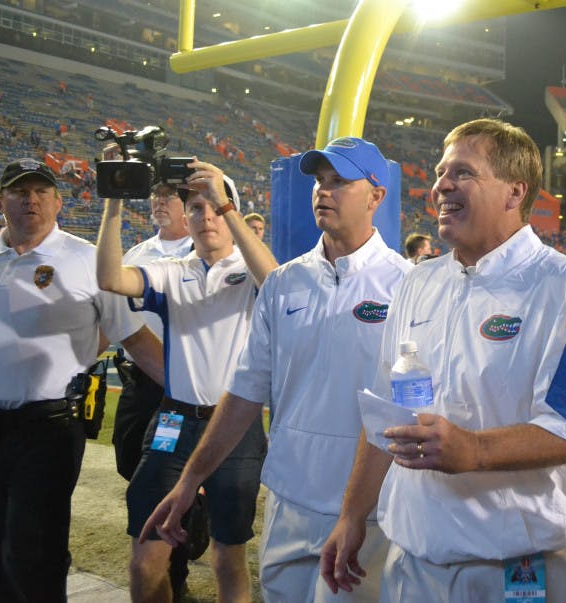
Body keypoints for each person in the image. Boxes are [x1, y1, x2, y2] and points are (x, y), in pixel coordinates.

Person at [320, 119, 566, 602]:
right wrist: (352, 514)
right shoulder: (418, 284)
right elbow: (385, 414)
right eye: (442, 171)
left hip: (518, 572)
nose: (441, 184)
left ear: (514, 191)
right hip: (415, 562)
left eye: (462, 172)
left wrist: (476, 451)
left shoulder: (563, 285)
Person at [140, 137, 410, 602]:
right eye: (320, 181)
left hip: (370, 514)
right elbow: (244, 392)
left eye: (340, 181)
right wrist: (189, 481)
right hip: (289, 503)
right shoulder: (285, 283)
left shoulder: (407, 285)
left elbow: (402, 413)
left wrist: (357, 510)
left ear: (377, 196)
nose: (324, 191)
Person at [0, 158, 164, 602]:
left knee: (34, 549)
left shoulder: (89, 261)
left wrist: (194, 395)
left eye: (40, 191)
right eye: (18, 191)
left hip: (48, 428)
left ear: (58, 202)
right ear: (0, 202)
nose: (30, 199)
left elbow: (135, 338)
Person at [97, 159, 277, 602]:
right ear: (186, 217)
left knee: (227, 554)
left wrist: (227, 206)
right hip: (174, 422)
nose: (206, 216)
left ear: (230, 210)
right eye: (195, 207)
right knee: (145, 554)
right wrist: (114, 203)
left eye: (215, 206)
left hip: (236, 424)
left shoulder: (250, 270)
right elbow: (109, 278)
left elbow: (276, 285)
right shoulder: (173, 271)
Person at [110, 180, 196, 599]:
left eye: (170, 195)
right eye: (156, 193)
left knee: (166, 478)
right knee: (131, 463)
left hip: (185, 387)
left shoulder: (206, 253)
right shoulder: (136, 255)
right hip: (140, 384)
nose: (159, 201)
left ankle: (173, 569)